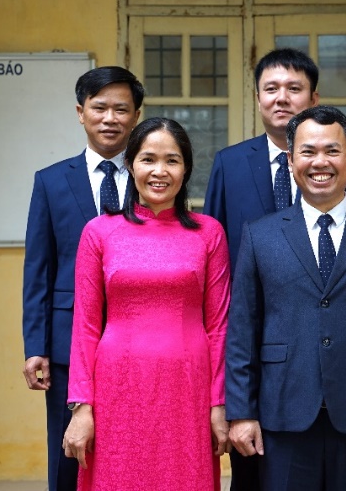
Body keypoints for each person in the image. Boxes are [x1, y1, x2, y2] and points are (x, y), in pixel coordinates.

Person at [226, 105, 346, 491]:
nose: (320, 162)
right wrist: (241, 411)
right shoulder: (259, 235)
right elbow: (243, 331)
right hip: (282, 413)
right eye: (308, 151)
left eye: (332, 151)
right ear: (290, 160)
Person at [61, 117, 231, 490]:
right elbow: (85, 326)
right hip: (116, 387)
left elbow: (219, 327)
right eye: (148, 159)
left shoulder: (209, 233)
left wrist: (218, 403)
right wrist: (82, 406)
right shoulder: (99, 232)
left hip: (187, 387)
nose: (159, 171)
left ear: (186, 169)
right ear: (130, 164)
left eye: (172, 160)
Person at [22, 66, 143, 491]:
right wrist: (36, 346)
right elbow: (38, 270)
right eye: (99, 108)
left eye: (121, 109)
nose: (110, 118)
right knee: (69, 453)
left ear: (136, 116)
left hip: (137, 338)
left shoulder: (151, 178)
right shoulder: (51, 181)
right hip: (67, 342)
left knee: (131, 449)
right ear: (80, 112)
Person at [204, 47, 346, 272]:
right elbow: (212, 243)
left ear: (314, 99)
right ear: (258, 99)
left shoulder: (342, 165)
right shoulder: (229, 163)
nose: (282, 98)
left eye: (294, 89)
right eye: (271, 89)